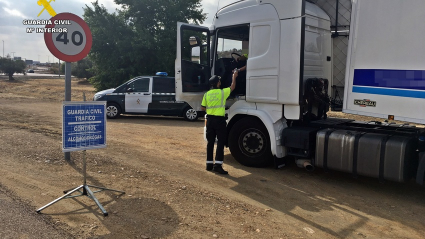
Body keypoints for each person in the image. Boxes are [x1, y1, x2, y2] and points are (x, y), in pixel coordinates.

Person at [201, 71, 237, 174]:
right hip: (219, 121)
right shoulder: (222, 92)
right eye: (219, 81)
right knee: (220, 142)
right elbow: (232, 87)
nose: (220, 82)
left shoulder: (206, 94)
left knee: (210, 143)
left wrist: (210, 109)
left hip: (210, 120)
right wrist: (234, 77)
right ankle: (217, 165)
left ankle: (208, 165)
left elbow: (202, 107)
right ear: (217, 83)